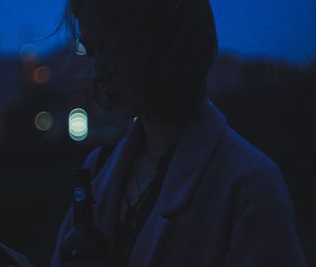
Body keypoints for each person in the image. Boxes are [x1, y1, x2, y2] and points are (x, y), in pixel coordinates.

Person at [50, 0, 309, 266]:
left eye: (109, 48)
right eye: (91, 51)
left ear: (165, 42)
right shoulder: (97, 169)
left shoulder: (250, 186)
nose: (97, 73)